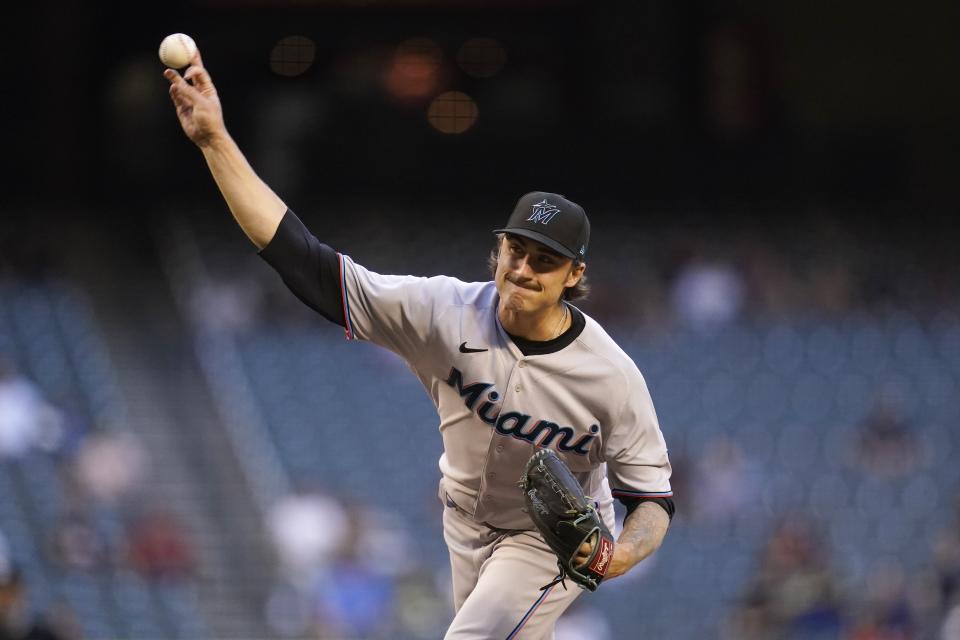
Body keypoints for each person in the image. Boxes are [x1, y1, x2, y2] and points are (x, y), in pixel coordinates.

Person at [163, 48, 675, 639]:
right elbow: (305, 264)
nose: (524, 269)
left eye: (545, 261)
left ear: (574, 277)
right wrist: (215, 141)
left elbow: (653, 501)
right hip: (463, 524)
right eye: (516, 250)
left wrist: (619, 556)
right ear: (498, 249)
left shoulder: (610, 375)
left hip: (547, 538)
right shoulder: (442, 311)